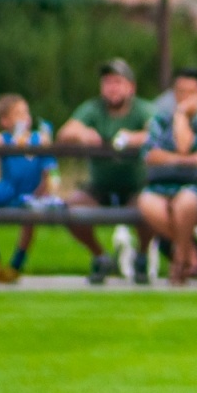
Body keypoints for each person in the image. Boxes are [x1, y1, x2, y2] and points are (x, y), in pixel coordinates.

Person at [57, 58, 156, 285]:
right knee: (71, 209)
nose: (113, 88)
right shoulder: (92, 109)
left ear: (131, 87)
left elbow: (158, 131)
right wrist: (82, 134)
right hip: (100, 186)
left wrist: (134, 138)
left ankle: (142, 255)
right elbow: (66, 131)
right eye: (108, 82)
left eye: (118, 82)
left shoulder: (143, 109)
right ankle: (100, 256)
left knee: (150, 207)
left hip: (136, 185)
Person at [139, 69, 197, 286]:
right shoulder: (159, 120)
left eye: (190, 92)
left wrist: (181, 116)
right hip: (162, 184)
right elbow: (151, 155)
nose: (184, 97)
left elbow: (185, 145)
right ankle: (189, 252)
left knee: (185, 202)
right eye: (180, 91)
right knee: (146, 202)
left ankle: (178, 263)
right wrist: (184, 160)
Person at [0, 94, 58, 284]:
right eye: (18, 114)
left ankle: (16, 264)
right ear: (5, 121)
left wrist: (45, 191)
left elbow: (49, 171)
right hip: (7, 191)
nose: (24, 117)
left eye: (26, 112)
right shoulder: (4, 139)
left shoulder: (39, 140)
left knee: (30, 217)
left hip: (30, 194)